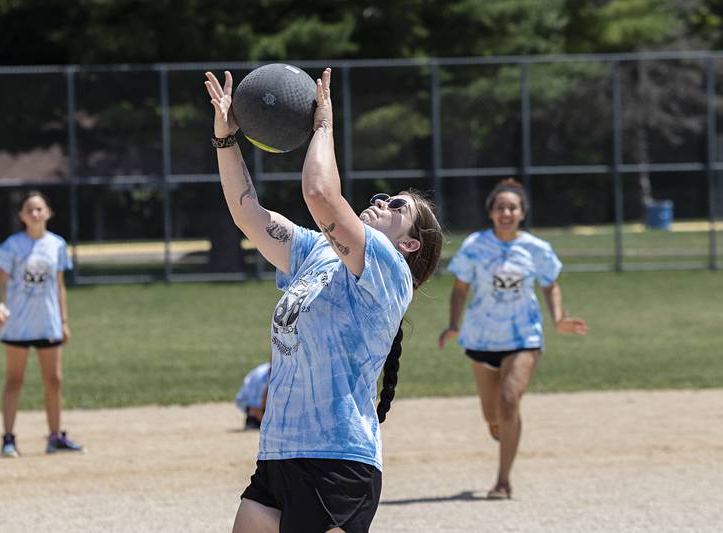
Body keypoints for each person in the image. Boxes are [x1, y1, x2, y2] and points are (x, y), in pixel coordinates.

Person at [204, 67, 443, 533]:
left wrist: (324, 124)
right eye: (386, 196)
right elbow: (247, 214)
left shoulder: (389, 271)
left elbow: (319, 192)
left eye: (399, 208)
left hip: (336, 462)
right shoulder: (317, 251)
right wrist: (225, 140)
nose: (383, 202)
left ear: (410, 245)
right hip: (279, 451)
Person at [438, 178, 588, 499]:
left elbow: (550, 284)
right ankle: (500, 427)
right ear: (491, 212)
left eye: (513, 207)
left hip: (524, 336)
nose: (506, 212)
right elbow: (460, 288)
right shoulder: (475, 246)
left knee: (509, 401)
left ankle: (503, 481)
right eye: (500, 207)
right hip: (481, 338)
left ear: (522, 212)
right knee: (492, 415)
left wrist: (559, 318)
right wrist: (453, 324)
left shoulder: (536, 249)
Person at [0, 191, 84, 457]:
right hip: (18, 323)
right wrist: (0, 306)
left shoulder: (56, 244)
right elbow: (0, 282)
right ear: (21, 216)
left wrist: (64, 320)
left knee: (54, 380)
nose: (35, 214)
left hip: (47, 321)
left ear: (48, 213)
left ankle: (55, 436)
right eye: (29, 210)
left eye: (39, 209)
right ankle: (8, 439)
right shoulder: (13, 245)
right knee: (14, 380)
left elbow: (59, 285)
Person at [235, 362, 271, 430]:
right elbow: (254, 408)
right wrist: (269, 425)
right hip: (248, 404)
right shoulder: (260, 378)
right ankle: (253, 420)